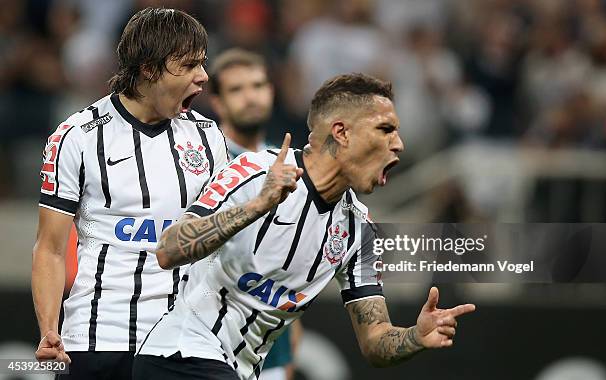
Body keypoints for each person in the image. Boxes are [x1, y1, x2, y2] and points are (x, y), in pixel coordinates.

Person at [133, 73, 476, 380]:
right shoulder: (256, 171)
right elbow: (169, 249)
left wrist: (416, 335)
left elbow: (374, 341)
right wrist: (257, 206)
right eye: (385, 129)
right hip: (179, 355)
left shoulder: (359, 233)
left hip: (236, 370)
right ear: (341, 132)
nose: (398, 143)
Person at [32, 7, 228, 379]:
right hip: (98, 338)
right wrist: (48, 328)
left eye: (202, 64)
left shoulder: (206, 137)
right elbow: (50, 247)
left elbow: (219, 242)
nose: (203, 77)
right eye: (188, 66)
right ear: (149, 69)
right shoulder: (78, 137)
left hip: (185, 339)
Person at [208, 48, 300, 380]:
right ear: (217, 101)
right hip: (207, 340)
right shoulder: (201, 160)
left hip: (270, 352)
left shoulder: (289, 164)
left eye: (258, 85)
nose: (251, 97)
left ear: (271, 92)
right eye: (236, 89)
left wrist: (289, 352)